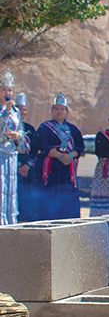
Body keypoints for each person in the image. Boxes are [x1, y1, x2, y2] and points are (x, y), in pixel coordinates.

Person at [34, 94, 84, 220]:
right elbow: (40, 144)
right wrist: (58, 155)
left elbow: (80, 147)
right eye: (56, 108)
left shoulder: (74, 129)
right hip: (51, 168)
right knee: (49, 198)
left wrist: (70, 156)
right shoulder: (44, 127)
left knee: (67, 197)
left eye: (62, 109)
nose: (59, 112)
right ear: (52, 111)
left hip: (67, 170)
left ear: (67, 112)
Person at [0, 72, 29, 225]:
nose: (7, 93)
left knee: (10, 190)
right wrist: (5, 111)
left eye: (10, 90)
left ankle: (9, 222)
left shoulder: (16, 113)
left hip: (11, 155)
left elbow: (23, 135)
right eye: (4, 90)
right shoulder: (5, 111)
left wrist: (18, 135)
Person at [14, 92, 38, 222]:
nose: (21, 112)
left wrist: (27, 165)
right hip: (13, 165)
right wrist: (17, 166)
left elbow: (35, 149)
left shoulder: (30, 128)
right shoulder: (9, 128)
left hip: (27, 167)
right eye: (18, 109)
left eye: (23, 110)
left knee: (28, 196)